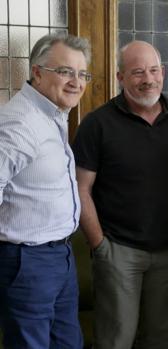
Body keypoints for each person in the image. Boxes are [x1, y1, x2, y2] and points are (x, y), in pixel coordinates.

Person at [71, 40, 168, 349]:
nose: (148, 79)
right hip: (118, 250)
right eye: (138, 72)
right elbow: (80, 188)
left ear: (163, 73)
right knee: (116, 340)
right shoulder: (97, 123)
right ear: (120, 77)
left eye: (154, 70)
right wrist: (99, 244)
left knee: (161, 338)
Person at [0, 33, 91, 348]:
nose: (76, 82)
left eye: (82, 74)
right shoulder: (20, 123)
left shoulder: (51, 115)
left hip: (59, 255)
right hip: (28, 261)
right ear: (37, 73)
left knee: (67, 343)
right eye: (65, 71)